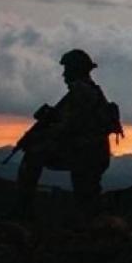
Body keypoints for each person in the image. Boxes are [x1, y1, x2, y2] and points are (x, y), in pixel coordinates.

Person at [13, 49, 121, 216]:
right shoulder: (86, 91)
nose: (63, 74)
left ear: (75, 69)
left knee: (34, 154)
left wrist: (37, 137)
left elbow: (68, 128)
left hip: (86, 155)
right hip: (90, 154)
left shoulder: (81, 91)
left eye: (67, 69)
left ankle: (23, 211)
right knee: (87, 203)